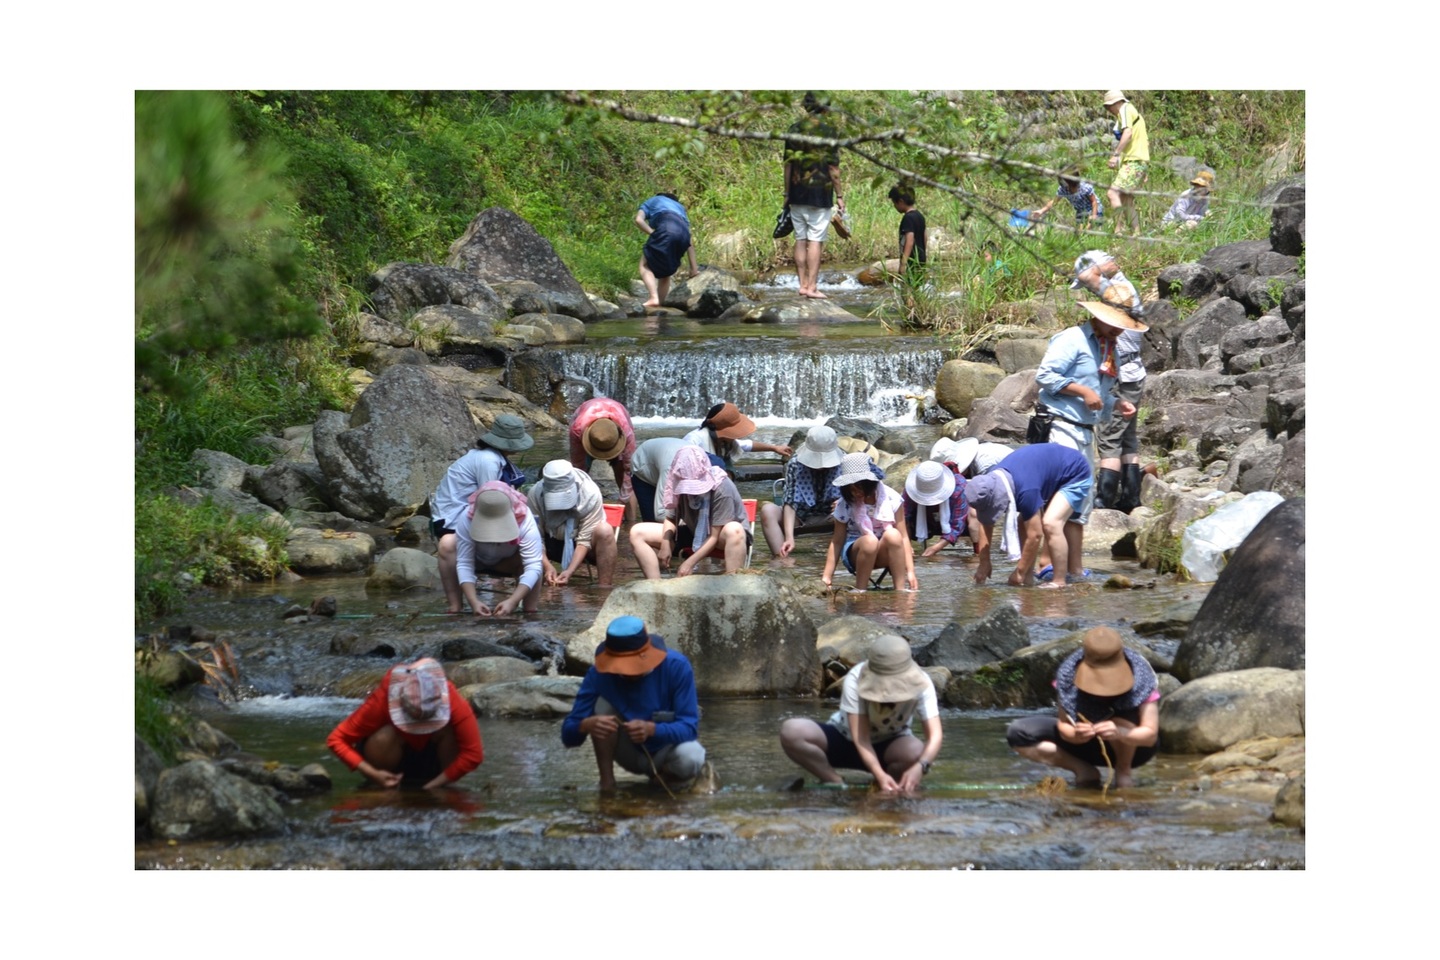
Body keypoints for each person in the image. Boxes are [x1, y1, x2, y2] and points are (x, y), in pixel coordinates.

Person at [1034, 298, 1149, 530]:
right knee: (1063, 493)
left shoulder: (1109, 349)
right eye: (1114, 324)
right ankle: (1048, 560)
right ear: (1098, 318)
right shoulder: (1072, 339)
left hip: (1085, 430)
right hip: (1060, 425)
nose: (1118, 330)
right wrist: (1082, 390)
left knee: (1081, 500)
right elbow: (1045, 376)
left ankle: (1073, 565)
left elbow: (1100, 396)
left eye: (1122, 326)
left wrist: (1116, 404)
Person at [779, 633, 941, 793]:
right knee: (792, 731)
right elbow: (861, 738)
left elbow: (935, 736)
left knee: (916, 752)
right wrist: (878, 773)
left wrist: (921, 766)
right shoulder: (856, 677)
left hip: (890, 746)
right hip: (844, 739)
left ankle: (889, 786)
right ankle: (834, 781)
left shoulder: (922, 683)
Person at [561, 615, 708, 791]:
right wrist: (584, 725)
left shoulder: (677, 667)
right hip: (627, 752)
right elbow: (568, 737)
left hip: (665, 753)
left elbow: (690, 729)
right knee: (602, 707)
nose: (629, 672)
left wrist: (652, 729)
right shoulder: (598, 675)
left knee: (693, 756)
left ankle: (663, 778)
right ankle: (607, 784)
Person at [1006, 626, 1159, 789]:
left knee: (1120, 719)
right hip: (1083, 746)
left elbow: (1150, 736)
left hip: (1134, 749)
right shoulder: (1068, 676)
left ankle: (1123, 772)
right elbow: (1063, 725)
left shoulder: (1141, 678)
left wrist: (1120, 733)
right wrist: (1075, 734)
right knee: (1018, 733)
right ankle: (1084, 770)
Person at [327, 658, 484, 790]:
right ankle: (385, 786)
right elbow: (337, 739)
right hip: (390, 760)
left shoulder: (450, 697)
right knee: (384, 735)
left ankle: (442, 785)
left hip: (432, 762)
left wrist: (434, 786)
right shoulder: (384, 696)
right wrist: (373, 774)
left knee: (452, 732)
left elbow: (473, 755)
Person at [1071, 250, 1149, 514]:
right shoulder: (1125, 289)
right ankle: (1131, 498)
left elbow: (1088, 274)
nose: (1088, 289)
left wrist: (1100, 268)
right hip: (1134, 373)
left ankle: (1104, 502)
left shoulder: (1118, 292)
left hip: (1119, 376)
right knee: (1128, 438)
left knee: (1108, 440)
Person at [431, 415, 534, 614]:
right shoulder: (489, 461)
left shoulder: (487, 456)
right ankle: (456, 605)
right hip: (451, 521)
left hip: (459, 512)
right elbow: (490, 497)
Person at [963, 442, 1093, 589]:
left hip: (1075, 472)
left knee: (1051, 523)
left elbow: (1036, 535)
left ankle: (1058, 580)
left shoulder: (1026, 491)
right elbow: (986, 523)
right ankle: (1028, 576)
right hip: (1047, 472)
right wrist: (984, 562)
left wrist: (1019, 571)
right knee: (1022, 522)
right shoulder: (991, 480)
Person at [629, 444, 753, 579]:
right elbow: (671, 519)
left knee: (734, 529)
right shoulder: (676, 483)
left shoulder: (722, 487)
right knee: (637, 532)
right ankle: (655, 586)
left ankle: (733, 585)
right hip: (694, 532)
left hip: (722, 537)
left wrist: (690, 562)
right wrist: (665, 544)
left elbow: (714, 536)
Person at [821, 452, 917, 593]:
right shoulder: (845, 504)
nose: (855, 493)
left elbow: (904, 537)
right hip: (857, 552)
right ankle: (861, 590)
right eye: (850, 489)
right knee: (869, 541)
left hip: (885, 551)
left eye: (859, 487)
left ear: (869, 483)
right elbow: (837, 541)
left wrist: (911, 571)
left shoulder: (892, 499)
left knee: (894, 534)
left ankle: (900, 590)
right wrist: (827, 577)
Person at [783, 92, 845, 300]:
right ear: (825, 108)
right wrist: (839, 195)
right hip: (820, 193)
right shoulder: (828, 131)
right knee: (815, 240)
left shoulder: (794, 129)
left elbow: (788, 165)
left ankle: (802, 285)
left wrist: (786, 193)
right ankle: (812, 287)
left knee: (800, 238)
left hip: (796, 192)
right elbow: (833, 167)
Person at [456, 482, 543, 615]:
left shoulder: (525, 518)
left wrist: (513, 601)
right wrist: (473, 602)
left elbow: (533, 565)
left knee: (536, 561)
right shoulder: (466, 517)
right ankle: (454, 609)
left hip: (508, 562)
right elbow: (464, 563)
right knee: (447, 545)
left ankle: (530, 613)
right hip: (477, 561)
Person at [527, 459, 617, 587]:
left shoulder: (590, 492)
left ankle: (604, 590)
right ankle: (534, 594)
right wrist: (547, 566)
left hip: (582, 544)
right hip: (550, 541)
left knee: (605, 530)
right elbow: (534, 537)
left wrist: (570, 571)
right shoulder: (535, 493)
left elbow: (584, 540)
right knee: (521, 534)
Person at [759, 423, 842, 558]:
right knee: (767, 510)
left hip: (833, 517)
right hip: (801, 517)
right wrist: (789, 537)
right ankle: (782, 559)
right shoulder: (795, 464)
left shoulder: (845, 461)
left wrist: (845, 502)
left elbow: (858, 496)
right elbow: (790, 502)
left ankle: (845, 557)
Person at [568, 396, 638, 507]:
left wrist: (623, 499)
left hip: (618, 417)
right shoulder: (577, 430)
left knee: (621, 471)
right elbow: (578, 467)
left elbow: (630, 470)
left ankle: (631, 520)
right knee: (582, 473)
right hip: (585, 424)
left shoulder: (625, 432)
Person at [682, 401, 792, 470]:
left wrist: (774, 448)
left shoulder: (725, 441)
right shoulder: (694, 440)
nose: (736, 436)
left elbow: (747, 445)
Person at [635, 191, 699, 308]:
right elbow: (689, 242)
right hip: (683, 235)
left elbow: (639, 220)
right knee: (665, 273)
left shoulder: (653, 200)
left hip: (666, 227)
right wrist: (694, 269)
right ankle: (659, 305)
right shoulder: (680, 208)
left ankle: (653, 298)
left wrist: (653, 233)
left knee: (644, 265)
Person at [903, 459, 971, 558]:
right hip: (924, 523)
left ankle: (977, 557)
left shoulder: (959, 487)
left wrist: (936, 547)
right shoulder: (911, 488)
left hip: (953, 522)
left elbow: (957, 524)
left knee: (974, 516)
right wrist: (907, 546)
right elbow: (903, 517)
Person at [1103, 90, 1149, 236]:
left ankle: (1119, 229)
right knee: (1126, 199)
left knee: (1112, 193)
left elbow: (1127, 134)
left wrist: (1115, 155)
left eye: (1109, 107)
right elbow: (1145, 143)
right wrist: (1145, 169)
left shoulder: (1125, 109)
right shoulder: (1135, 114)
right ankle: (1137, 233)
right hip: (1139, 161)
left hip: (1133, 161)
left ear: (1114, 103)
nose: (1109, 111)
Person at [628, 436, 690, 523]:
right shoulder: (670, 469)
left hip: (663, 456)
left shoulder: (703, 465)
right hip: (643, 467)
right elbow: (660, 514)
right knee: (651, 521)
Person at [888, 183, 927, 282]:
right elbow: (925, 236)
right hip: (920, 259)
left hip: (911, 260)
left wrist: (903, 264)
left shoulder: (908, 218)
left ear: (900, 201)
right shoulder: (919, 216)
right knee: (916, 288)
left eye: (894, 203)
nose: (894, 206)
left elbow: (909, 240)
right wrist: (923, 253)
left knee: (906, 291)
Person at [1033, 173, 1103, 227]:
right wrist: (1042, 210)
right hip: (1080, 210)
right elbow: (1054, 202)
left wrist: (1094, 215)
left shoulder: (1085, 187)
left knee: (1090, 227)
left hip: (1093, 208)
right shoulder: (1063, 189)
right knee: (1080, 231)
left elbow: (1094, 201)